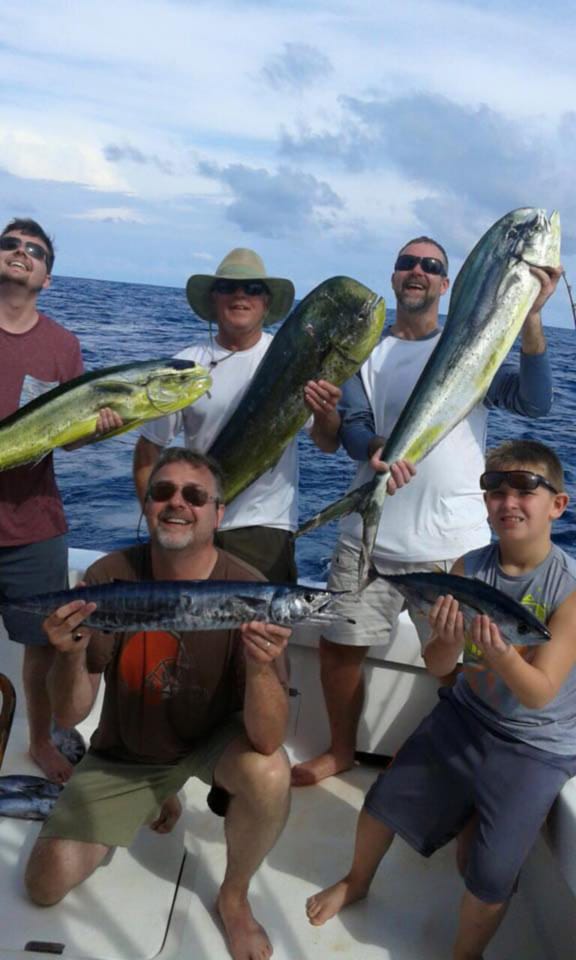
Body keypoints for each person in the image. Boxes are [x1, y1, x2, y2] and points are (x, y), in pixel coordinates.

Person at [292, 235, 563, 786]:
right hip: (366, 540)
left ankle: (437, 761)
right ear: (395, 277)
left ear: (447, 285)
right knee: (339, 651)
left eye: (431, 266)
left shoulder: (473, 346)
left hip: (450, 547)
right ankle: (341, 750)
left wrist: (532, 317)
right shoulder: (366, 353)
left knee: (460, 666)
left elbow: (536, 403)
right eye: (406, 263)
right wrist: (375, 450)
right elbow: (354, 422)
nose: (417, 271)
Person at [306, 439, 576, 960]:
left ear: (558, 504)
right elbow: (438, 666)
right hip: (467, 715)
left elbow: (540, 694)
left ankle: (464, 954)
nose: (508, 501)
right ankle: (357, 881)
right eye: (494, 489)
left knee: (489, 874)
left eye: (525, 487)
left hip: (537, 745)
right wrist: (449, 640)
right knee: (381, 802)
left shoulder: (568, 589)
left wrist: (501, 656)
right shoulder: (467, 566)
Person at [25, 447, 292, 960]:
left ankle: (233, 898)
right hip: (128, 750)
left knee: (270, 772)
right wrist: (68, 655)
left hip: (214, 742)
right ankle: (154, 792)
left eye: (195, 495)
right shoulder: (107, 577)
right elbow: (70, 714)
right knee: (43, 884)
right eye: (162, 492)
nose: (177, 504)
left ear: (218, 512)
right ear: (146, 505)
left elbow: (267, 738)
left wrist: (261, 664)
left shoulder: (251, 589)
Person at [133, 247, 341, 582]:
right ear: (214, 299)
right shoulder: (185, 365)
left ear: (266, 303)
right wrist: (155, 516)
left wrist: (327, 412)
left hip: (263, 529)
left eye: (253, 289)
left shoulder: (292, 360)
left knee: (262, 634)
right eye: (228, 287)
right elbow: (149, 448)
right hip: (193, 521)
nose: (240, 295)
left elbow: (327, 442)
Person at [0, 217, 121, 783]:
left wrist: (100, 430)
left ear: (48, 277)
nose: (21, 254)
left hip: (35, 524)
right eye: (11, 246)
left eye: (35, 251)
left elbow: (68, 439)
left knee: (42, 645)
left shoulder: (62, 345)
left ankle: (42, 740)